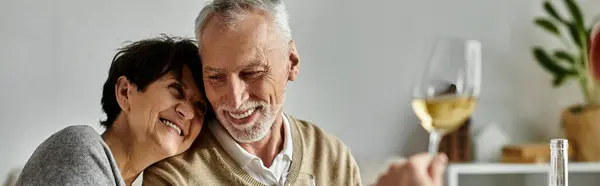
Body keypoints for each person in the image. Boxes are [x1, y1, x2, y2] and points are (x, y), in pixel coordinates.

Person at [143, 1, 447, 186]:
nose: (234, 99)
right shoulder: (175, 174)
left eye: (252, 73)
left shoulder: (333, 157)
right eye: (215, 77)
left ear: (292, 62)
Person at [15, 35, 211, 186]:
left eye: (200, 107)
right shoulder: (81, 146)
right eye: (176, 90)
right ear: (125, 92)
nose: (188, 112)